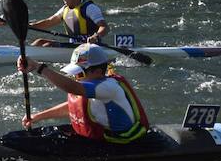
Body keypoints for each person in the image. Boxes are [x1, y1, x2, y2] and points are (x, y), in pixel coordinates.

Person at [16, 43, 150, 144]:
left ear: (97, 72)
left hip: (120, 142)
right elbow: (74, 107)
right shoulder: (94, 88)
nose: (75, 77)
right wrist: (38, 116)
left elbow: (72, 87)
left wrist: (39, 67)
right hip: (100, 136)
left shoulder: (107, 87)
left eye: (79, 73)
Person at [29, 0, 108, 46]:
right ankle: (24, 56)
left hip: (91, 47)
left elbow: (104, 27)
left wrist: (96, 37)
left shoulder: (89, 8)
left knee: (47, 46)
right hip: (73, 46)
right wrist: (30, 26)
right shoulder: (65, 9)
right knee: (39, 42)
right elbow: (49, 22)